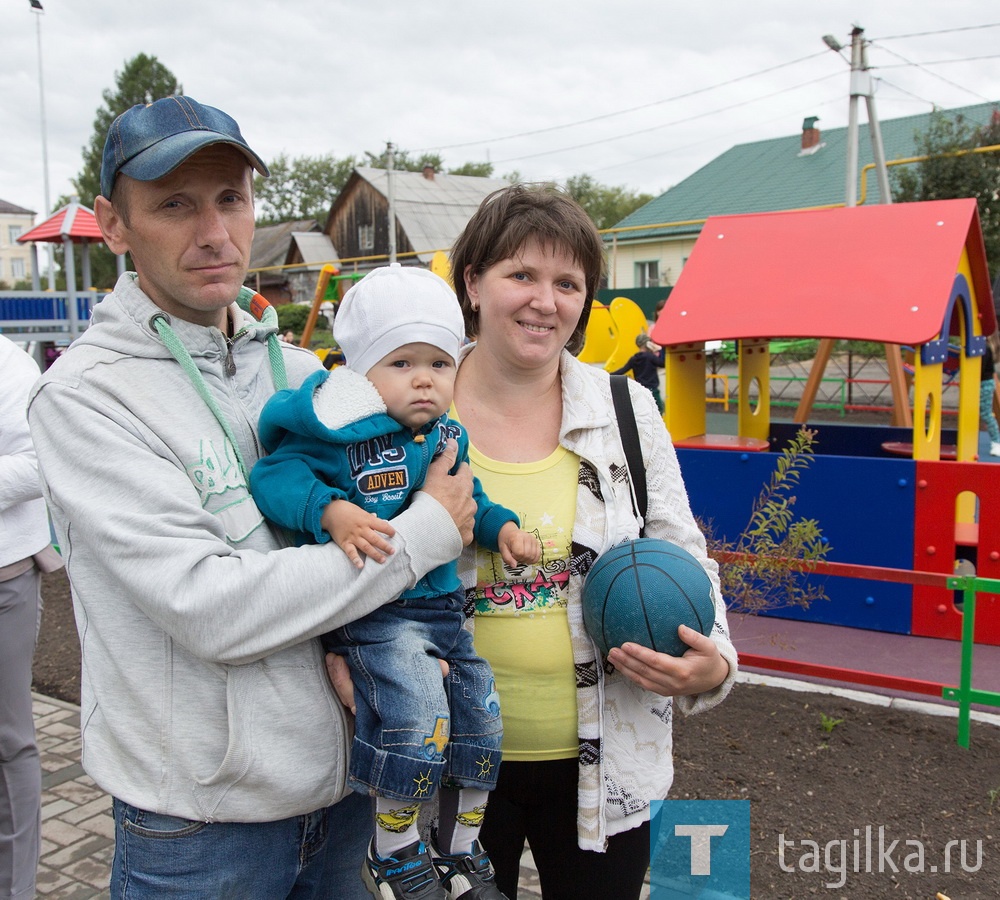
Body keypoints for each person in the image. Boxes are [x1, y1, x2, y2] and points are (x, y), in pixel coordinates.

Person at [26, 96, 477, 900]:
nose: (214, 232)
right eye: (174, 204)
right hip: (200, 832)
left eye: (231, 199)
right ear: (113, 224)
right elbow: (209, 606)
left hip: (340, 800)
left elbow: (377, 555)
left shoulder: (310, 379)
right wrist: (421, 536)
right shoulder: (86, 398)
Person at [447, 184, 738, 899]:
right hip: (448, 763)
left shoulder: (625, 410)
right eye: (521, 275)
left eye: (567, 283)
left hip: (608, 766)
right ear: (472, 283)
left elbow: (682, 550)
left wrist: (715, 664)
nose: (545, 301)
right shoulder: (415, 405)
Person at [251, 264, 540, 899]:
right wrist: (329, 510)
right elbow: (273, 478)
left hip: (443, 611)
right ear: (361, 372)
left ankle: (460, 847)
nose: (423, 379)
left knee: (482, 717)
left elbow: (473, 503)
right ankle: (392, 848)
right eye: (402, 362)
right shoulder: (335, 434)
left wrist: (505, 530)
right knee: (417, 715)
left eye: (439, 364)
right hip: (376, 615)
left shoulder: (447, 437)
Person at [1, 335, 62, 900]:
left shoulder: (7, 363)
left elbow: (38, 461)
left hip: (3, 579)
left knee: (7, 741)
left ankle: (13, 887)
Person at [609, 333, 665, 413]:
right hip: (653, 390)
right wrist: (660, 349)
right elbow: (663, 363)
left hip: (640, 390)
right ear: (648, 344)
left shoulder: (634, 359)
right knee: (659, 411)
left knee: (644, 412)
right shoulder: (650, 357)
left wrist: (607, 374)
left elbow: (622, 370)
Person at [980, 338, 1000, 456]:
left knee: (986, 413)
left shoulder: (984, 349)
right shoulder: (983, 347)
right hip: (981, 382)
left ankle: (996, 442)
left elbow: (980, 369)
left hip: (984, 383)